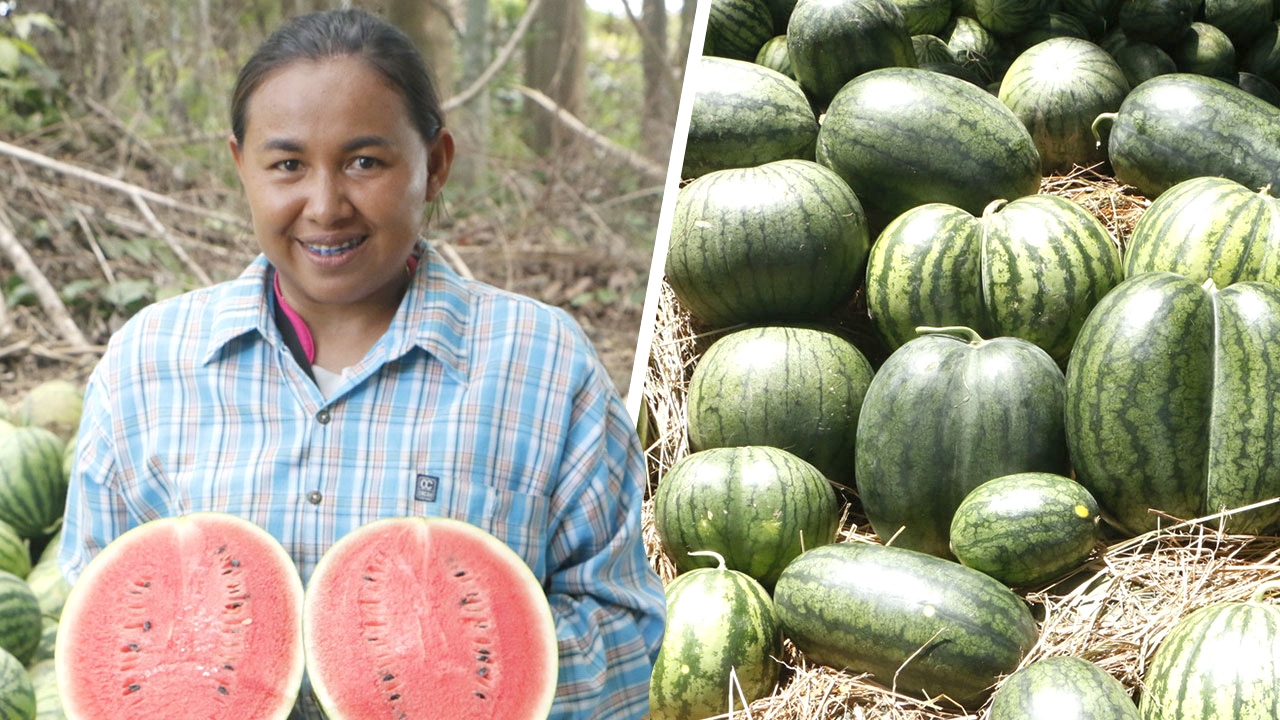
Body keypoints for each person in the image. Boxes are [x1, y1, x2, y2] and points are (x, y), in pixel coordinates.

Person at [58, 8, 666, 719]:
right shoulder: (144, 367)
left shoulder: (544, 365)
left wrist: (456, 686)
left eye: (364, 163)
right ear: (240, 166)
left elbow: (627, 638)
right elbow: (101, 632)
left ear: (434, 164)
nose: (325, 206)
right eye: (287, 165)